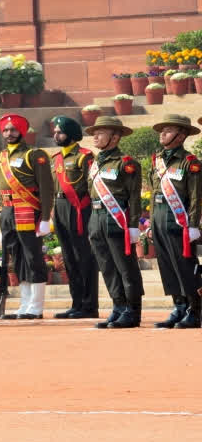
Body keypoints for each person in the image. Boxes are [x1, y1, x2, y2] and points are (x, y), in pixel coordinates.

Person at [84, 116, 143, 329]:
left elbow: (134, 197)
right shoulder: (95, 162)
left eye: (101, 133)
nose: (95, 136)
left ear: (115, 137)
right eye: (94, 133)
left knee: (125, 267)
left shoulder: (126, 163)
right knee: (107, 266)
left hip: (116, 218)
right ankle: (118, 305)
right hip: (96, 217)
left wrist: (134, 225)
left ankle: (132, 310)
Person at [0, 114, 55, 320]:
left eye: (13, 130)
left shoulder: (34, 155)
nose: (9, 134)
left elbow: (46, 188)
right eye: (5, 130)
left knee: (33, 256)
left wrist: (46, 217)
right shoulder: (1, 156)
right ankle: (24, 304)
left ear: (22, 132)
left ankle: (36, 306)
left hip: (28, 209)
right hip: (8, 211)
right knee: (17, 257)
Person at [148, 114, 202, 329]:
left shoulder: (190, 162)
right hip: (160, 220)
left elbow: (196, 196)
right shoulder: (157, 160)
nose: (163, 134)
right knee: (167, 266)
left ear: (181, 136)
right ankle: (178, 306)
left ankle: (194, 310)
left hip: (179, 222)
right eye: (163, 130)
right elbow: (154, 193)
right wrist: (151, 223)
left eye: (169, 130)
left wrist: (193, 225)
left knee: (185, 267)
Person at [49, 116, 99, 319]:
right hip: (60, 208)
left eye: (60, 132)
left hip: (79, 208)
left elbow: (92, 187)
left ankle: (89, 305)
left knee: (84, 257)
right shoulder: (55, 159)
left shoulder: (84, 156)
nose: (55, 135)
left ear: (70, 134)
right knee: (69, 257)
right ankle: (76, 302)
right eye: (55, 132)